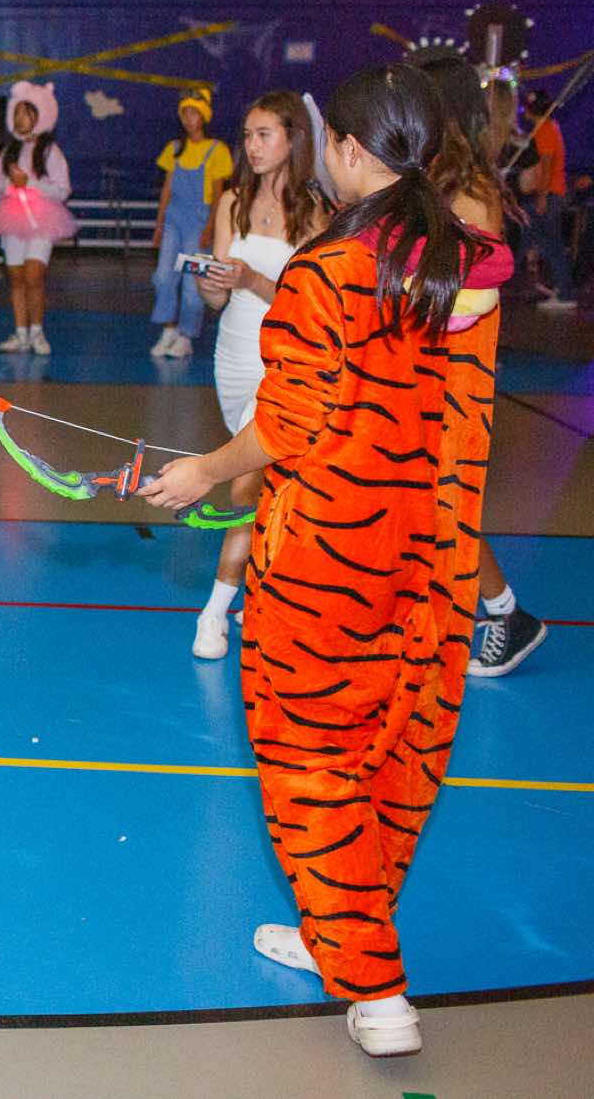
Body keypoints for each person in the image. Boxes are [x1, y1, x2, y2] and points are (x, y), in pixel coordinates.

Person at [142, 64, 512, 1060]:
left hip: (329, 560)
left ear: (348, 151)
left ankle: (375, 986)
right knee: (396, 753)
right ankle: (336, 928)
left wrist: (200, 472)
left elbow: (289, 426)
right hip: (434, 559)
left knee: (311, 764)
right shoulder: (470, 269)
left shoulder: (328, 273)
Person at [412, 52, 549, 677]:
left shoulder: (470, 192)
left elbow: (468, 291)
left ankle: (507, 614)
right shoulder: (434, 180)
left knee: (447, 503)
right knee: (421, 499)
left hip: (456, 372)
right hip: (423, 363)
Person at [186, 91, 328, 660]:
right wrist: (212, 285)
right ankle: (268, 589)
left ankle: (214, 613)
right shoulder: (232, 202)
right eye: (247, 134)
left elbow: (310, 305)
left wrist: (251, 281)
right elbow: (218, 299)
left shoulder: (316, 212)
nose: (252, 145)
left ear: (294, 138)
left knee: (245, 482)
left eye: (264, 133)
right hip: (233, 355)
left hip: (284, 359)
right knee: (271, 484)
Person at [0, 81, 75, 354]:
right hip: (12, 218)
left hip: (42, 220)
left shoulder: (50, 152)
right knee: (16, 276)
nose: (20, 118)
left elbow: (63, 189)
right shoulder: (7, 152)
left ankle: (37, 331)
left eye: (26, 113)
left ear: (40, 115)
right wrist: (10, 185)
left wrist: (30, 184)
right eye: (17, 113)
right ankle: (20, 333)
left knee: (34, 275)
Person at [149, 89, 236, 358]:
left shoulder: (217, 150)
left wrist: (210, 227)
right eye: (185, 113)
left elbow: (219, 194)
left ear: (204, 117)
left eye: (194, 113)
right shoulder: (174, 149)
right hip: (174, 220)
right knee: (163, 276)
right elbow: (166, 189)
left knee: (192, 284)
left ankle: (186, 335)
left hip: (199, 222)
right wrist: (159, 225)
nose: (189, 119)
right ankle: (169, 329)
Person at [517, 88, 577, 311]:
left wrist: (541, 197)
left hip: (550, 194)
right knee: (541, 237)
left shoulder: (544, 130)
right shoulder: (550, 127)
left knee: (550, 243)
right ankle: (561, 288)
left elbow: (546, 166)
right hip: (553, 192)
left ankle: (564, 292)